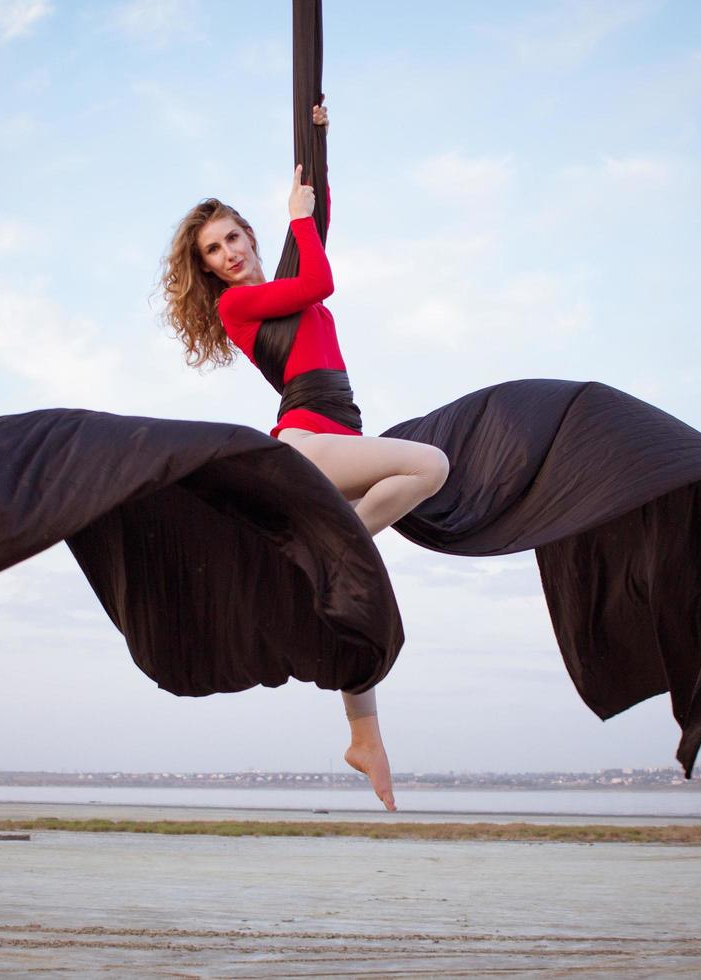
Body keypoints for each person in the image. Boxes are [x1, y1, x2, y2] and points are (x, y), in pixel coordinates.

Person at [161, 105, 449, 811]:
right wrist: (297, 219)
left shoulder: (278, 278)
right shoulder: (240, 308)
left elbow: (316, 225)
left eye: (232, 238)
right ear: (208, 269)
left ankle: (365, 737)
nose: (227, 254)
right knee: (430, 467)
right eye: (213, 252)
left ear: (249, 235)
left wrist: (316, 135)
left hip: (339, 438)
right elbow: (319, 277)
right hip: (307, 441)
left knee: (355, 591)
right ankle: (309, 559)